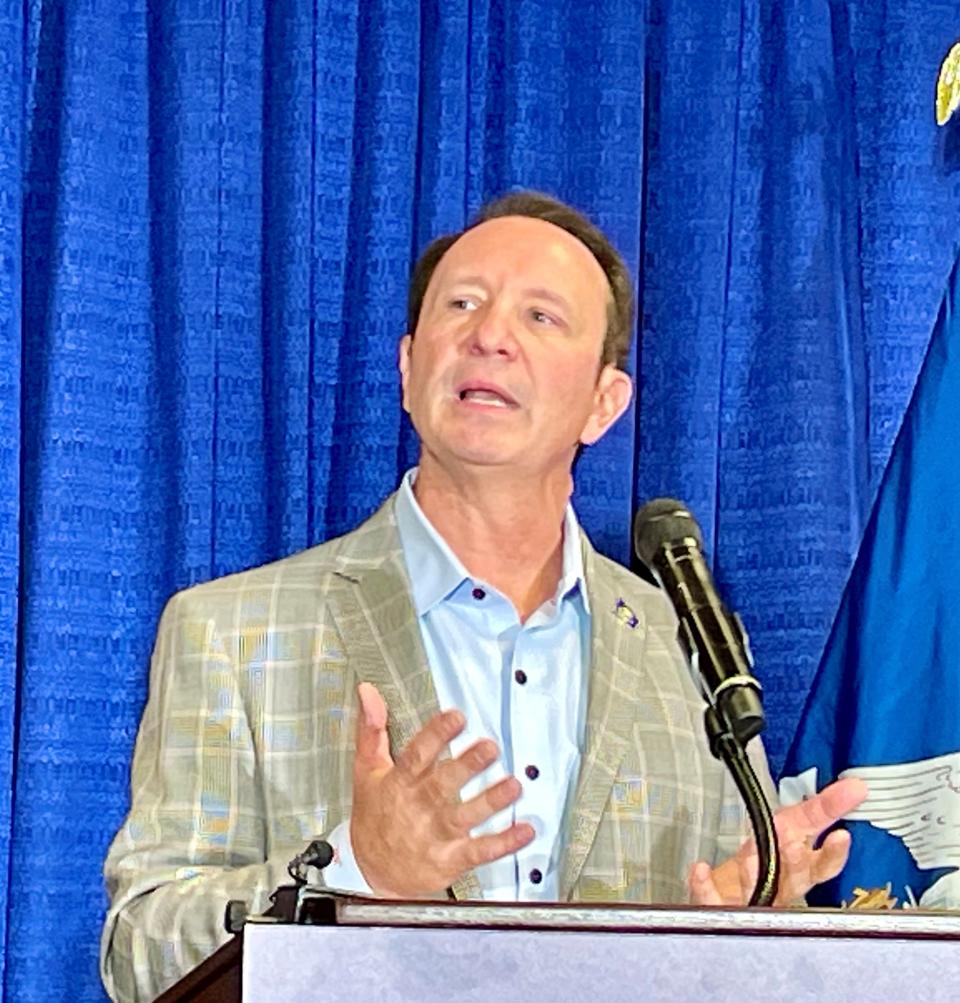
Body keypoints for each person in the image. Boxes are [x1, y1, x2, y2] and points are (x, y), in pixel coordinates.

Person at [100, 191, 866, 1002]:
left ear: (604, 403)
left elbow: (721, 948)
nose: (489, 336)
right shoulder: (230, 633)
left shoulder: (690, 648)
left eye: (540, 318)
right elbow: (139, 953)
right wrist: (361, 872)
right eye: (462, 303)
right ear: (407, 369)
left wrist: (752, 936)